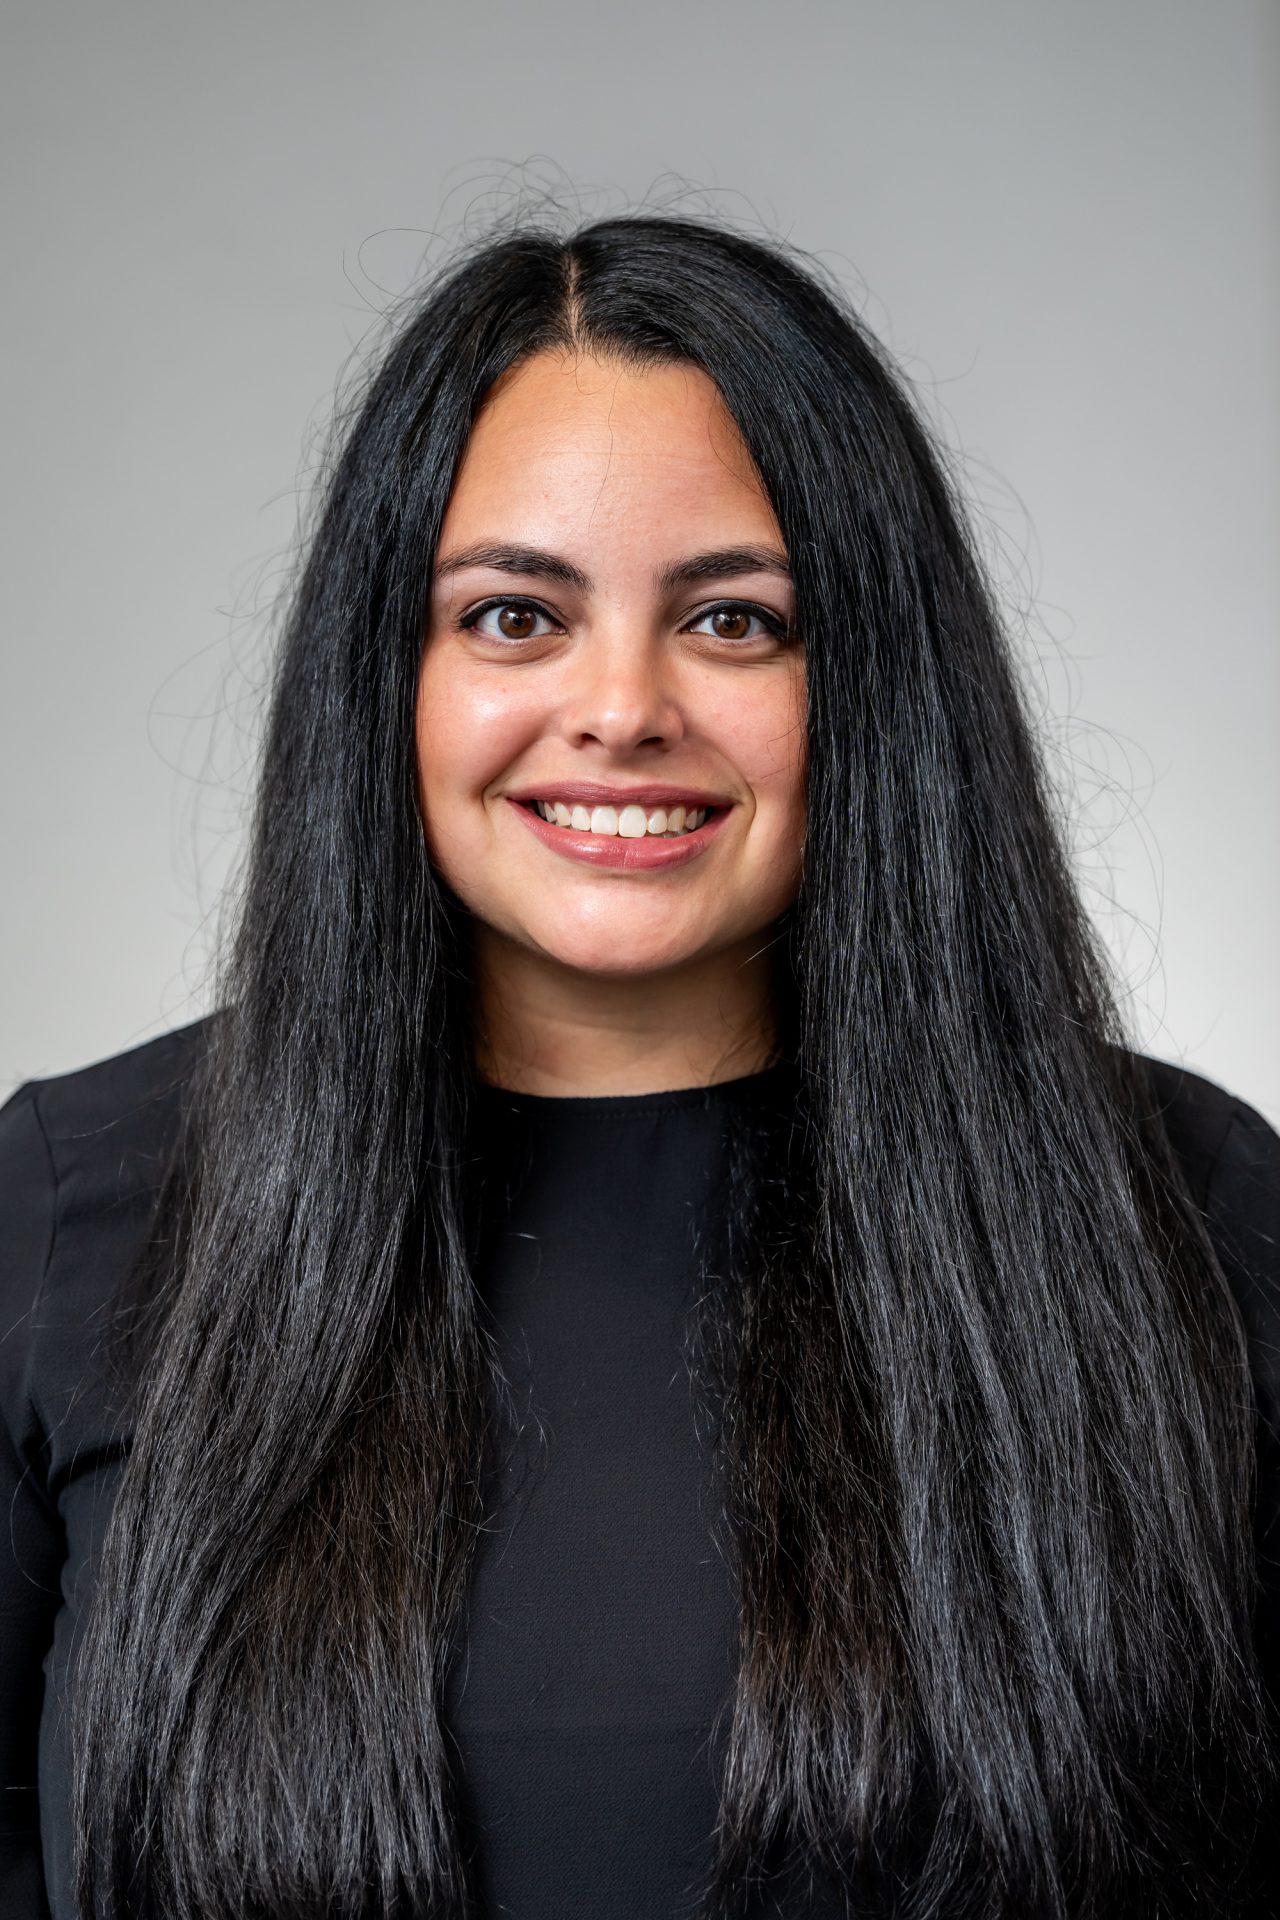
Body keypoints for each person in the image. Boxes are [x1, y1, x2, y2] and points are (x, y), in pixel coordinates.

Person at [1, 211, 1277, 1920]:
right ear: (388, 673)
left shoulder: (1190, 1209)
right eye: (514, 615)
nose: (621, 708)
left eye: (736, 620)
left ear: (874, 680)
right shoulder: (69, 1205)